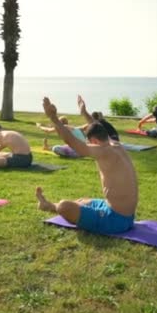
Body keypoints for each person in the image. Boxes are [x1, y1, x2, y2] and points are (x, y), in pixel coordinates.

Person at [36, 96, 138, 234]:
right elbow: (98, 127)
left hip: (116, 220)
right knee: (82, 201)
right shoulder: (115, 145)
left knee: (64, 207)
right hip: (125, 214)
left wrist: (53, 118)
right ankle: (49, 205)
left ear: (94, 141)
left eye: (89, 142)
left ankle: (51, 206)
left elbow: (73, 143)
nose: (88, 144)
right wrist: (84, 112)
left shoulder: (104, 152)